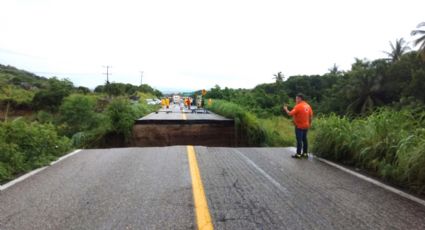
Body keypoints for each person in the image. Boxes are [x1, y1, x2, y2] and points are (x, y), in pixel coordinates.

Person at [284, 93, 313, 159]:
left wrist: (286, 109)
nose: (295, 100)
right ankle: (305, 153)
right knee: (305, 139)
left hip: (299, 126)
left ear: (300, 99)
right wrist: (309, 124)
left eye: (296, 98)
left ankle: (298, 154)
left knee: (299, 140)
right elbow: (311, 116)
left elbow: (290, 114)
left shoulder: (298, 106)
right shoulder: (308, 106)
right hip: (306, 126)